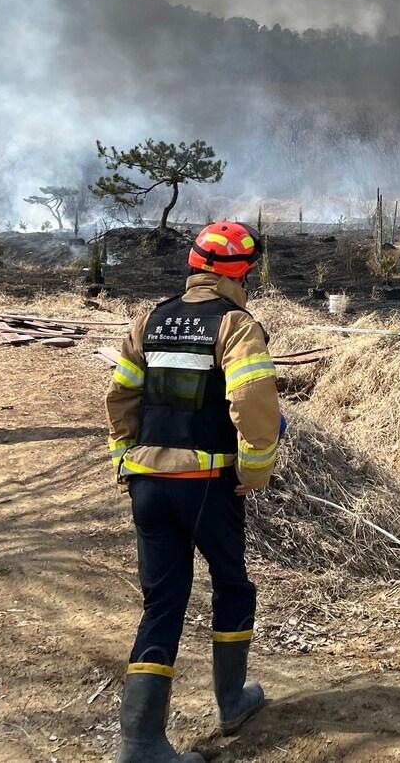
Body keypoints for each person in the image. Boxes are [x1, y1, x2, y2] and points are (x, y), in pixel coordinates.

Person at [105, 221, 283, 762]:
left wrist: (125, 463)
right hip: (207, 482)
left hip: (148, 482)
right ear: (240, 274)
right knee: (232, 586)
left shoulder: (149, 319)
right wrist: (254, 470)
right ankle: (232, 701)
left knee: (162, 603)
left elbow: (121, 398)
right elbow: (251, 402)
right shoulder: (235, 324)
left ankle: (140, 743)